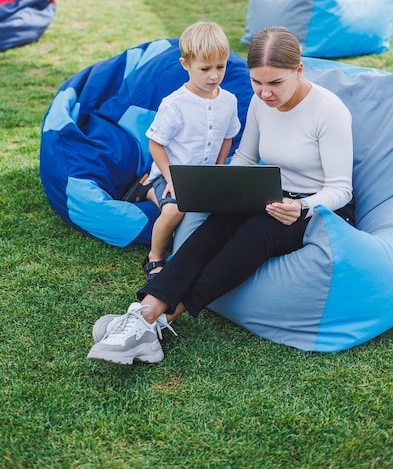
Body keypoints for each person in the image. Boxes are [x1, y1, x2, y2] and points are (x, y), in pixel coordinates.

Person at [88, 26, 354, 365]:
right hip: (270, 193)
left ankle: (160, 323)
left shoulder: (328, 111)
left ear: (298, 71)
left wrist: (302, 207)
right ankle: (145, 311)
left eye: (275, 83)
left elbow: (341, 188)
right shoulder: (261, 104)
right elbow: (244, 159)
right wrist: (221, 189)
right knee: (216, 225)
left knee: (255, 234)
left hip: (318, 207)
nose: (265, 93)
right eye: (257, 83)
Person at [123, 21, 241, 283]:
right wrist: (173, 179)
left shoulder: (229, 101)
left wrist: (220, 168)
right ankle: (154, 257)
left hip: (203, 175)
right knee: (175, 211)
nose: (214, 76)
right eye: (205, 69)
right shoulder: (176, 103)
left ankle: (145, 190)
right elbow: (156, 144)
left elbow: (228, 136)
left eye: (220, 67)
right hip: (173, 172)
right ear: (185, 64)